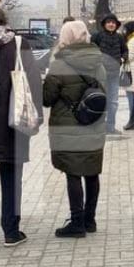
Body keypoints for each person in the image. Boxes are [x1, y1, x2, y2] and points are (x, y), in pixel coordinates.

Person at [0, 3, 42, 247]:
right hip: (14, 119)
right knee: (12, 175)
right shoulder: (18, 44)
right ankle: (11, 231)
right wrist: (38, 117)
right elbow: (33, 80)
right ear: (5, 21)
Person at [43, 20, 107, 238]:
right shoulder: (98, 61)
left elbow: (46, 98)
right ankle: (90, 220)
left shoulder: (60, 64)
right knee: (91, 171)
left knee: (73, 172)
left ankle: (77, 222)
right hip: (93, 124)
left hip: (68, 127)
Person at [93, 13, 126, 134]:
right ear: (104, 24)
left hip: (114, 75)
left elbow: (125, 51)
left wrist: (122, 59)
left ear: (116, 25)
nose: (111, 24)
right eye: (109, 22)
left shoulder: (120, 37)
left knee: (113, 102)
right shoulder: (97, 36)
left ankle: (110, 126)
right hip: (100, 74)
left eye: (113, 22)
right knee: (100, 101)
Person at [122, 19, 134, 131]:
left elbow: (130, 56)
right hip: (130, 69)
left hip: (131, 69)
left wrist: (122, 55)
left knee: (131, 95)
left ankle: (132, 119)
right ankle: (132, 119)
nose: (124, 31)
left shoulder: (133, 40)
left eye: (125, 29)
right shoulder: (132, 39)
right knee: (130, 94)